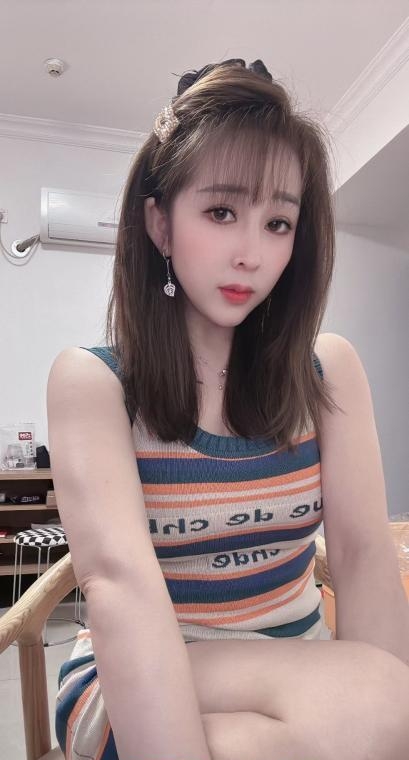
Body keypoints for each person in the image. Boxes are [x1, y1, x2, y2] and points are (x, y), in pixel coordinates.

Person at [47, 59, 409, 760]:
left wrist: (384, 719)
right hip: (142, 673)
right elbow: (120, 586)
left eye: (278, 222)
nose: (251, 254)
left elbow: (363, 554)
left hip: (304, 672)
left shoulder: (327, 369)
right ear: (160, 223)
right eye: (220, 213)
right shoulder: (95, 383)